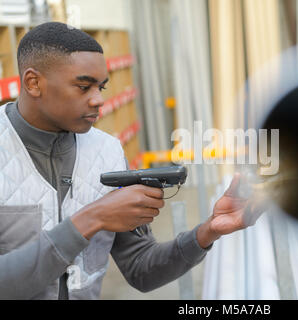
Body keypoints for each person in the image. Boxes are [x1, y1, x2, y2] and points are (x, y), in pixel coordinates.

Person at [0, 22, 259, 299]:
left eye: (101, 87)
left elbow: (141, 269)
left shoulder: (106, 151)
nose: (98, 100)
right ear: (33, 83)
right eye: (84, 86)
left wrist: (207, 232)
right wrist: (92, 218)